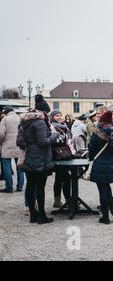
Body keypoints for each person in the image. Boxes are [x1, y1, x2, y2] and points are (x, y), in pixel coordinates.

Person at [16, 94, 59, 224]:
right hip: (39, 158)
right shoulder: (40, 122)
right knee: (40, 188)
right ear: (43, 112)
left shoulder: (25, 121)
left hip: (29, 157)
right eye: (47, 112)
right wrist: (54, 135)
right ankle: (41, 216)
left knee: (30, 186)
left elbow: (20, 141)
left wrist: (30, 145)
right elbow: (43, 142)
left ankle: (33, 215)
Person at [89, 110, 113, 224]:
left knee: (102, 191)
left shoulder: (97, 131)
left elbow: (91, 149)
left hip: (99, 163)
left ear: (102, 120)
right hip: (110, 163)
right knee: (107, 190)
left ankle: (106, 217)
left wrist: (92, 159)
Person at [49, 109, 73, 208]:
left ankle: (61, 201)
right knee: (63, 178)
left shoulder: (64, 126)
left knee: (61, 178)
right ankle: (66, 201)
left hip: (66, 155)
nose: (59, 117)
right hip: (57, 156)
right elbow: (55, 140)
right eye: (57, 116)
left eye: (60, 115)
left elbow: (69, 137)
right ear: (52, 117)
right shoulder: (51, 127)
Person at [0, 106, 24, 193]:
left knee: (7, 167)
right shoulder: (20, 118)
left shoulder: (5, 119)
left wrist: (1, 143)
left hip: (7, 146)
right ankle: (20, 187)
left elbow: (1, 134)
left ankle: (9, 187)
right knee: (20, 167)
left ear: (6, 112)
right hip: (19, 146)